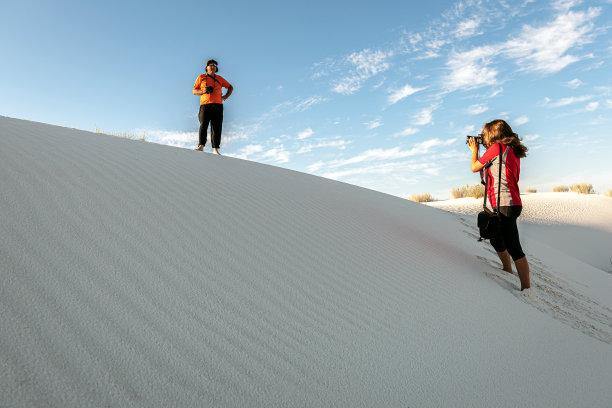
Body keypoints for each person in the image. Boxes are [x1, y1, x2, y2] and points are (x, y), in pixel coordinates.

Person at [468, 119, 533, 295]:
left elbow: (475, 167)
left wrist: (474, 150)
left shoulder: (496, 149)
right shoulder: (509, 150)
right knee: (496, 237)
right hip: (508, 203)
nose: (482, 136)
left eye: (485, 133)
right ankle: (507, 270)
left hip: (505, 203)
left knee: (513, 247)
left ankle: (526, 289)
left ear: (493, 134)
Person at [193, 59, 233, 155]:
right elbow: (194, 91)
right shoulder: (201, 77)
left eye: (214, 65)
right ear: (206, 67)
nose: (212, 66)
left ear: (216, 68)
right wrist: (203, 91)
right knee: (203, 125)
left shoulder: (220, 78)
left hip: (218, 105)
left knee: (217, 127)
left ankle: (215, 149)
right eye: (210, 65)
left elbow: (230, 87)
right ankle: (201, 146)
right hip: (205, 105)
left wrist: (225, 97)